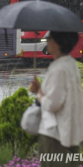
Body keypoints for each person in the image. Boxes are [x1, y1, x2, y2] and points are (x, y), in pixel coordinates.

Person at [30, 31, 83, 167]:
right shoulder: (71, 64)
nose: (47, 40)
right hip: (70, 133)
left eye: (50, 37)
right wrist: (41, 89)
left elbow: (53, 104)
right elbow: (61, 96)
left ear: (58, 43)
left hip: (56, 137)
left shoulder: (59, 68)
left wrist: (39, 94)